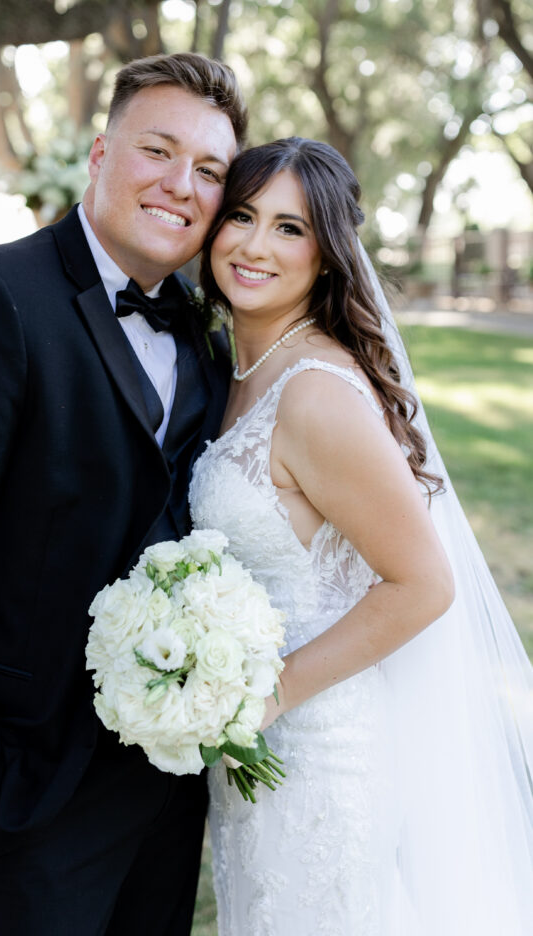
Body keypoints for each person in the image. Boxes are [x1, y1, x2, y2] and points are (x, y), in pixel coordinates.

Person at [0, 52, 246, 936]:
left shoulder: (205, 331)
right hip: (19, 792)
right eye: (158, 150)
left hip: (161, 783)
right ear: (100, 154)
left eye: (210, 170)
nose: (181, 185)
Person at [190, 137, 533, 935]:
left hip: (321, 751)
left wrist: (265, 696)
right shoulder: (239, 368)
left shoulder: (314, 393)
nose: (251, 245)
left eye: (288, 228)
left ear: (328, 253)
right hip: (259, 751)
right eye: (240, 216)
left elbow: (422, 584)